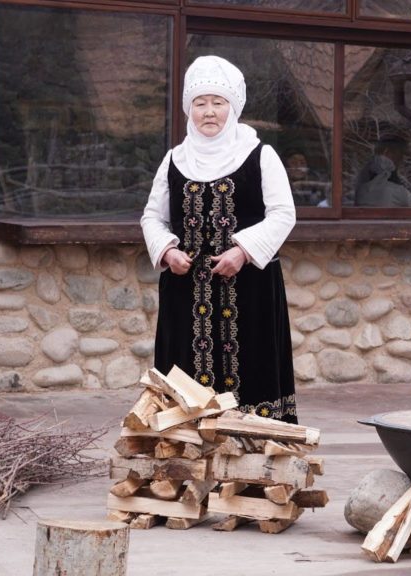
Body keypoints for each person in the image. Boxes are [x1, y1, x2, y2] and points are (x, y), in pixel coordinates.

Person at [141, 55, 298, 423]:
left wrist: (243, 251)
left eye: (218, 103)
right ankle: (187, 456)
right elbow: (153, 216)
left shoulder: (261, 155)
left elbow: (283, 213)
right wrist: (167, 251)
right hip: (185, 293)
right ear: (188, 109)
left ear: (234, 106)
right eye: (200, 103)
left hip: (251, 293)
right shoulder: (174, 159)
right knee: (185, 382)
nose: (208, 112)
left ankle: (254, 456)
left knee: (252, 377)